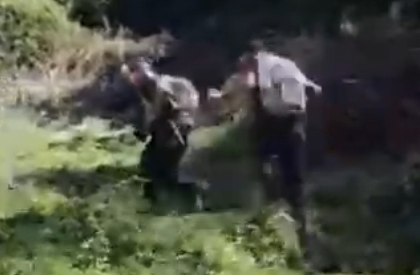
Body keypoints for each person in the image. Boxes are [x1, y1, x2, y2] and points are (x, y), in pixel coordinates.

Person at [219, 41, 321, 251]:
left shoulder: (270, 69)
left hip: (282, 128)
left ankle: (294, 238)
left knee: (282, 184)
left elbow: (291, 100)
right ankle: (281, 232)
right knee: (284, 184)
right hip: (285, 129)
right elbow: (310, 90)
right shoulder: (283, 66)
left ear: (252, 58)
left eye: (244, 65)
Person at [121, 58, 203, 210]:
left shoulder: (166, 85)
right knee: (150, 165)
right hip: (164, 130)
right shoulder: (146, 91)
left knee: (171, 167)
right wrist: (146, 132)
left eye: (135, 72)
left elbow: (178, 106)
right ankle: (154, 203)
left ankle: (190, 203)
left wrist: (177, 116)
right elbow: (152, 114)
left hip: (177, 127)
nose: (133, 79)